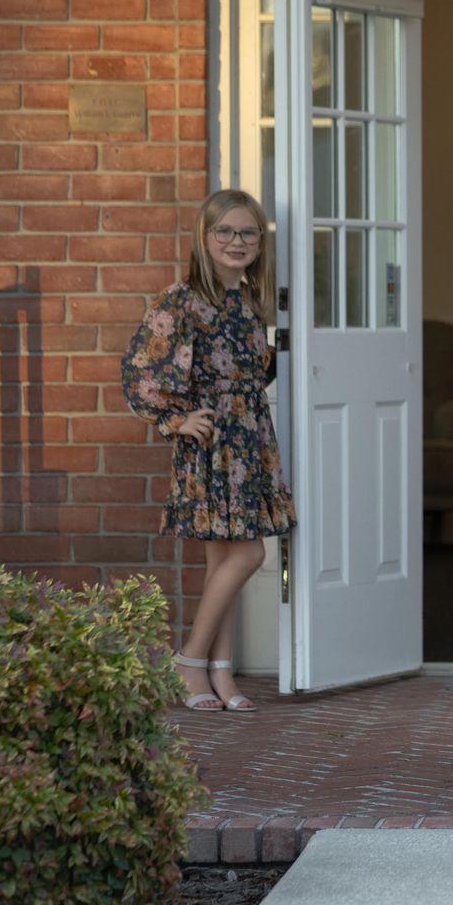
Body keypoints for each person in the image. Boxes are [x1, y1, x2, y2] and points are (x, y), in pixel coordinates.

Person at [123, 188, 295, 714]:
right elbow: (138, 373)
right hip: (210, 444)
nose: (237, 241)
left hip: (248, 442)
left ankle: (219, 673)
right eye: (226, 231)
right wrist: (177, 419)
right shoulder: (180, 301)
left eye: (248, 233)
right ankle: (190, 659)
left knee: (225, 555)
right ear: (205, 237)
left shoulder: (248, 303)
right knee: (249, 553)